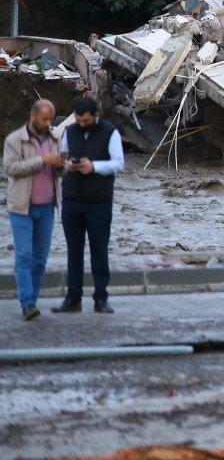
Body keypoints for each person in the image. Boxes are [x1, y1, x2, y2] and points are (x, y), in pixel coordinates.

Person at [53, 97, 124, 315]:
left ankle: (100, 298)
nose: (81, 124)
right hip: (72, 200)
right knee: (74, 252)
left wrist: (92, 166)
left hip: (99, 202)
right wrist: (64, 166)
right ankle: (73, 298)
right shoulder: (70, 131)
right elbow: (64, 161)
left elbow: (118, 164)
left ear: (95, 116)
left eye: (85, 120)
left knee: (99, 251)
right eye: (78, 120)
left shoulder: (110, 132)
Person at [4, 100, 63, 320]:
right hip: (21, 207)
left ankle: (33, 299)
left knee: (40, 258)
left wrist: (60, 166)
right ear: (32, 116)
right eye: (44, 119)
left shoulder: (55, 139)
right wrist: (41, 160)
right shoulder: (14, 140)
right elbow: (10, 168)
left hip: (47, 206)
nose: (48, 123)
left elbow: (61, 172)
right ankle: (27, 303)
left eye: (51, 119)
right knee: (24, 255)